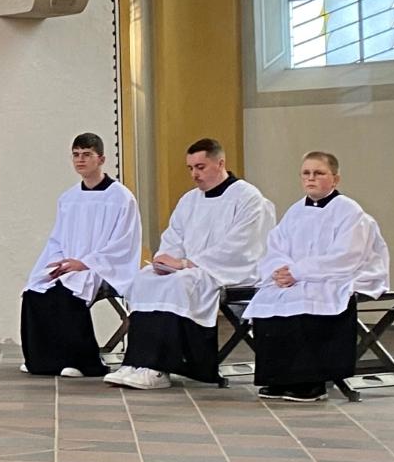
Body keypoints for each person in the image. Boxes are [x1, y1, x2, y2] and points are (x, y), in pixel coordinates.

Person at [104, 138, 273, 391]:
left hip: (227, 271)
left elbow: (242, 246)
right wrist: (165, 260)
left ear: (221, 163)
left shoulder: (248, 198)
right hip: (188, 268)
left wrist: (185, 263)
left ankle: (160, 368)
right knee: (146, 277)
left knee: (182, 282)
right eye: (190, 168)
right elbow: (174, 236)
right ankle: (137, 362)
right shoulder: (190, 200)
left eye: (201, 167)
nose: (194, 174)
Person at [244, 152, 390, 403]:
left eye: (319, 173)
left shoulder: (348, 211)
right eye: (306, 173)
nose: (311, 178)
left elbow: (347, 256)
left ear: (335, 179)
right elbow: (276, 245)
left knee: (306, 300)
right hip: (297, 278)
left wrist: (298, 272)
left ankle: (311, 384)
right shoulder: (295, 211)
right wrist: (280, 270)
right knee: (270, 300)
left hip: (334, 277)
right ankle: (280, 380)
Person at [20, 133, 142, 378]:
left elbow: (124, 243)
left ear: (101, 159)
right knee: (35, 290)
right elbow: (57, 239)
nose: (80, 160)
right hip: (70, 263)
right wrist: (56, 263)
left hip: (102, 267)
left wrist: (84, 263)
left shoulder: (121, 197)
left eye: (87, 155)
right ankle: (42, 360)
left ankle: (81, 361)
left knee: (68, 294)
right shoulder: (69, 198)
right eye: (76, 155)